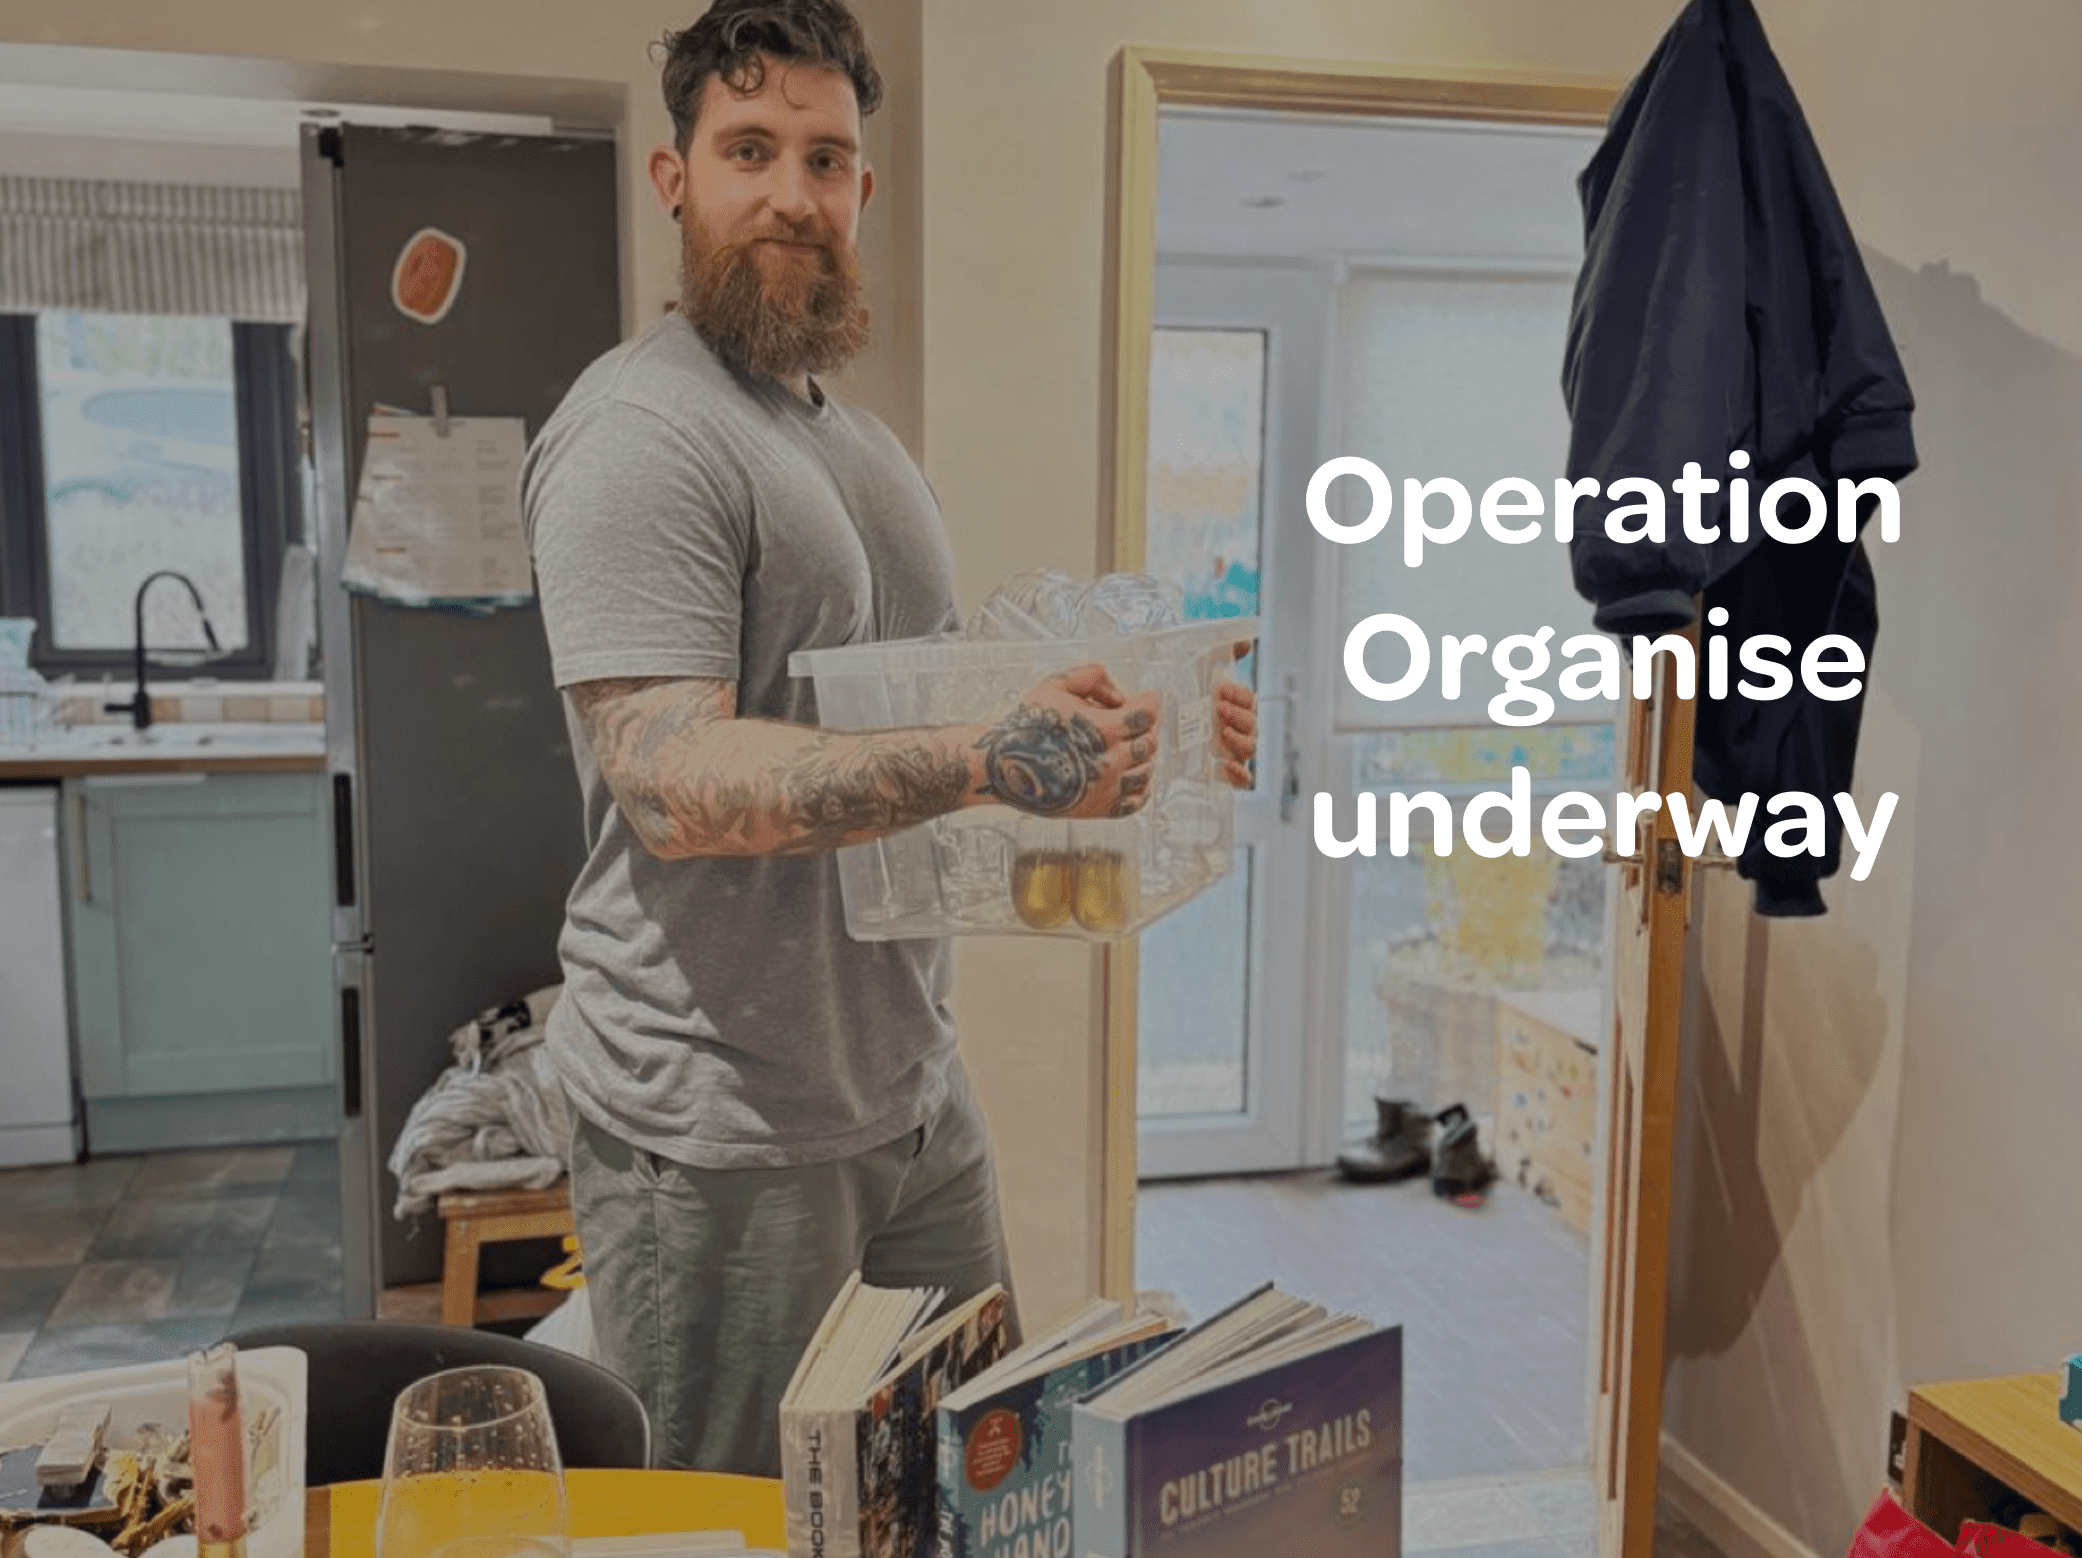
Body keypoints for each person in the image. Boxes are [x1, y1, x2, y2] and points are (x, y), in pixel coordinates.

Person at [520, 0, 1258, 1477]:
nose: (792, 192)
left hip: (907, 1081)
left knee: (974, 1482)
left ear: (862, 190)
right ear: (675, 184)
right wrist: (990, 757)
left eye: (826, 155)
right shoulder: (637, 437)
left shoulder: (850, 444)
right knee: (740, 1515)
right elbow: (671, 779)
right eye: (747, 150)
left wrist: (1136, 729)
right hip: (717, 1121)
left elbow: (934, 700)